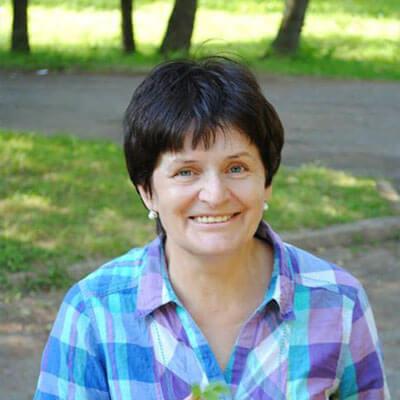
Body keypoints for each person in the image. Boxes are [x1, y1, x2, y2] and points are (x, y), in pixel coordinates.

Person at [34, 57, 390, 400]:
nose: (215, 195)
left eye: (236, 168)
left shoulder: (337, 300)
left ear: (267, 181)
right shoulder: (94, 311)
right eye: (186, 172)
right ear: (147, 191)